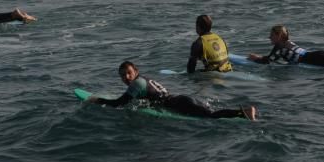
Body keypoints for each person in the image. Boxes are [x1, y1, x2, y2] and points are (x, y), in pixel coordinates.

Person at [88, 61, 257, 120]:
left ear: (136, 72)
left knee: (211, 117)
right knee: (210, 112)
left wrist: (98, 100)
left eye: (128, 73)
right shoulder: (142, 80)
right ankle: (242, 112)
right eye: (122, 75)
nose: (126, 77)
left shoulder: (136, 84)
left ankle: (243, 113)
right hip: (180, 99)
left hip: (179, 104)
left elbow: (119, 103)